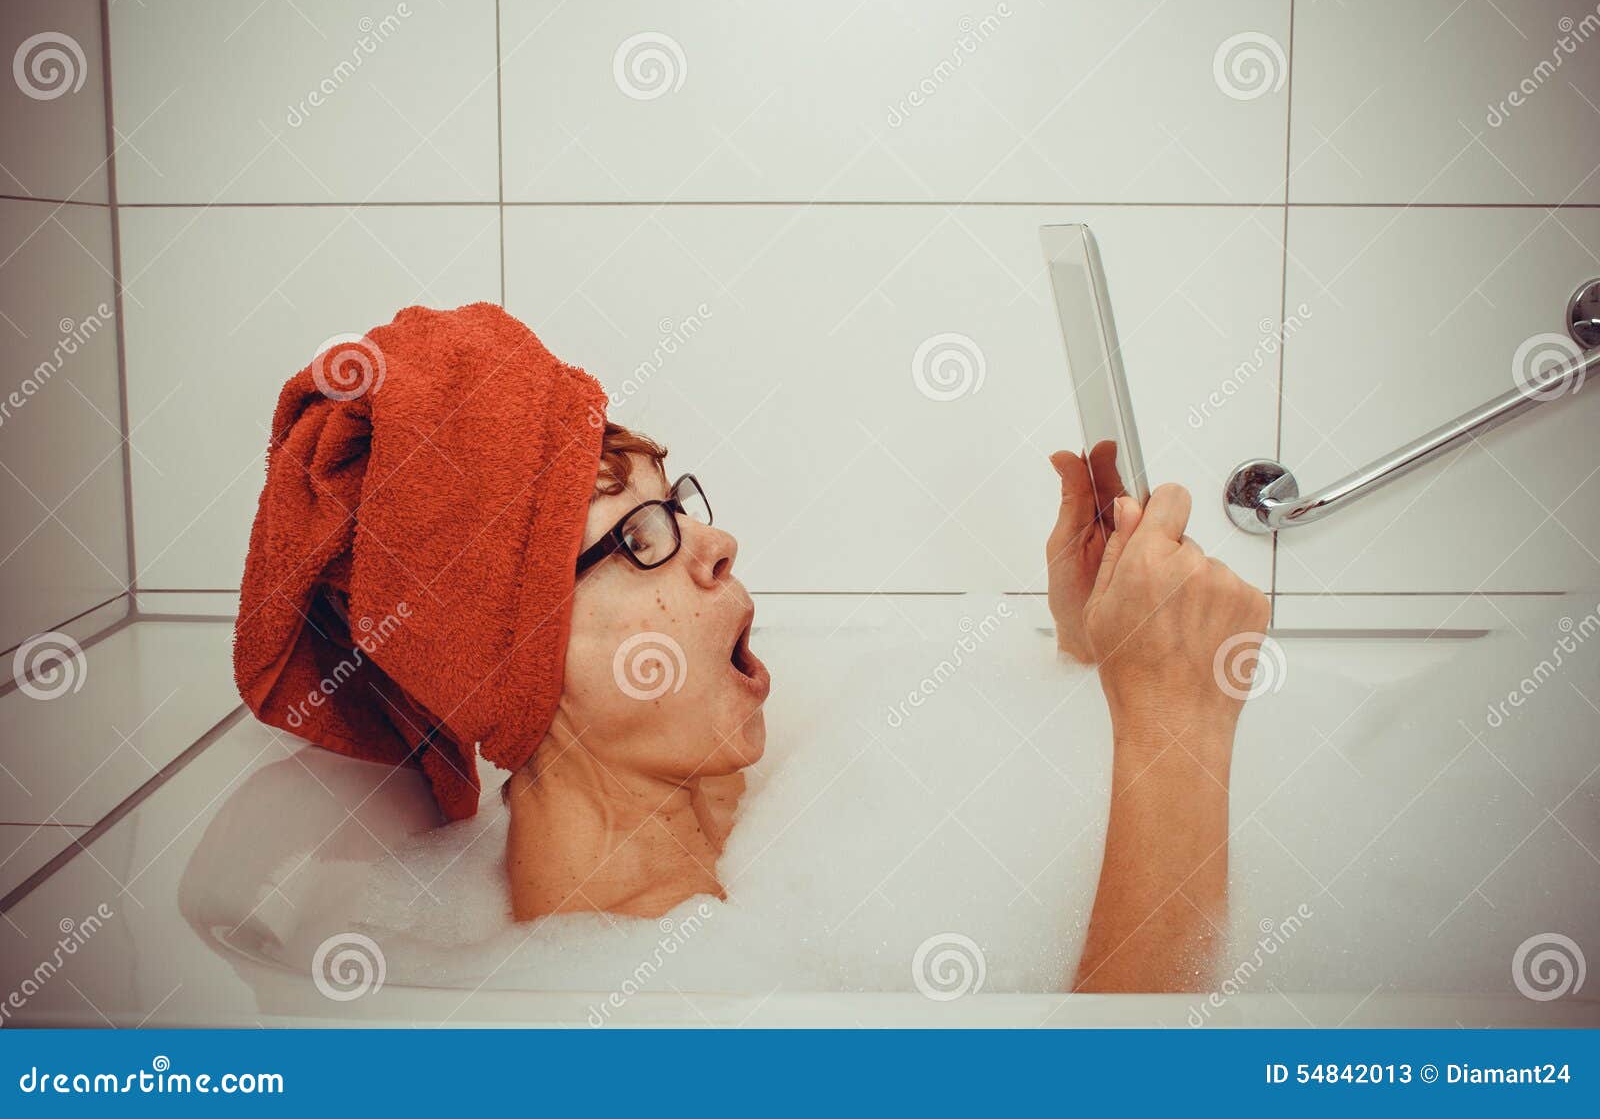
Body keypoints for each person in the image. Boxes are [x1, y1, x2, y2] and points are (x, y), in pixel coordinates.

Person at [236, 303, 1269, 994]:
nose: (715, 540)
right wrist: (1174, 723)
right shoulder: (624, 1008)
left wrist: (1086, 652)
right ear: (516, 657)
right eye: (640, 537)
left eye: (677, 502)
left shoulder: (738, 811)